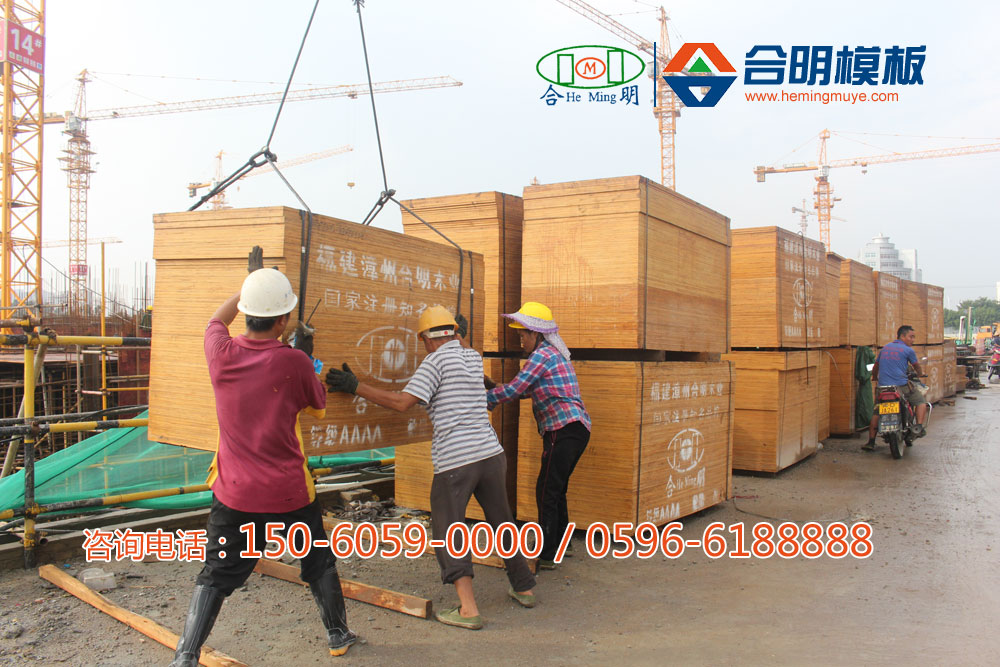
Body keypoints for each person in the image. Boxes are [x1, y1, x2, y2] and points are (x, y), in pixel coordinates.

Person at [170, 251, 355, 666]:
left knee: (216, 572)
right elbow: (318, 407)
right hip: (289, 491)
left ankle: (186, 655)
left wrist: (250, 286)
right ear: (283, 320)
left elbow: (215, 322)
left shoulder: (220, 353)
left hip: (234, 490)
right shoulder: (294, 362)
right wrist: (304, 357)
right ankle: (338, 634)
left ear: (249, 312)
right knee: (317, 560)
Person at [325, 305, 536, 630]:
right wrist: (458, 334)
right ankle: (524, 587)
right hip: (491, 455)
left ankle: (468, 609)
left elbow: (402, 403)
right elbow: (460, 349)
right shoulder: (472, 357)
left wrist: (356, 386)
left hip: (457, 460)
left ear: (426, 338)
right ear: (454, 333)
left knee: (448, 530)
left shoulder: (433, 363)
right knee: (501, 520)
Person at [485, 302, 591, 570]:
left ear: (536, 333)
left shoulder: (541, 355)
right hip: (576, 429)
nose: (521, 340)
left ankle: (546, 554)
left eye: (523, 335)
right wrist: (495, 387)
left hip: (562, 429)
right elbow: (523, 390)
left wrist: (482, 399)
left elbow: (514, 390)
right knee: (557, 488)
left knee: (546, 490)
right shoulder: (552, 354)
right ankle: (561, 544)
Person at [864, 324, 928, 451]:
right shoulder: (908, 350)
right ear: (902, 336)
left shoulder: (885, 348)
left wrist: (875, 377)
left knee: (877, 411)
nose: (913, 340)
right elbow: (916, 366)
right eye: (911, 337)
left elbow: (876, 366)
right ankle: (918, 427)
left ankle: (871, 442)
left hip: (883, 388)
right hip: (901, 386)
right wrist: (920, 374)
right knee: (921, 401)